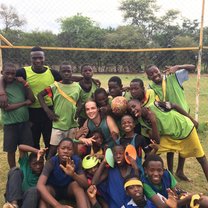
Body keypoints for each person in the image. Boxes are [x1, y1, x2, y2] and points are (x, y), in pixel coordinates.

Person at [128, 99, 208, 182]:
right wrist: (153, 121)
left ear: (141, 103)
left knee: (201, 158)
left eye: (134, 106)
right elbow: (158, 140)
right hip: (169, 136)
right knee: (150, 157)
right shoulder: (142, 123)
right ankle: (152, 181)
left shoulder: (156, 105)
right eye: (130, 110)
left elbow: (174, 106)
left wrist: (192, 119)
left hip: (186, 129)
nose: (133, 110)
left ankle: (177, 173)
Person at [0, 46, 62, 152]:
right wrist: (2, 92)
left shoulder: (52, 73)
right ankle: (36, 166)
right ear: (30, 59)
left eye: (40, 58)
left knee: (49, 140)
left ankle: (48, 164)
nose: (37, 60)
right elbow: (3, 77)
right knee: (33, 141)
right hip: (31, 111)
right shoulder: (23, 72)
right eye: (34, 58)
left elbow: (67, 79)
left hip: (48, 111)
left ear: (44, 58)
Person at [145, 64, 195, 180]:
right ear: (148, 77)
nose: (155, 75)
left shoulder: (174, 77)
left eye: (156, 71)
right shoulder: (151, 88)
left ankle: (180, 170)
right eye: (151, 74)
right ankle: (171, 173)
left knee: (184, 143)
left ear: (160, 70)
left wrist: (177, 67)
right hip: (169, 121)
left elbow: (193, 67)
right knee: (170, 147)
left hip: (183, 117)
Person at [38, 62, 81, 159]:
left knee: (72, 148)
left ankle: (73, 168)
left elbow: (80, 100)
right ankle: (48, 170)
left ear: (72, 72)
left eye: (68, 71)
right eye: (63, 71)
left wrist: (78, 111)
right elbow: (40, 95)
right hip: (58, 124)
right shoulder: (54, 86)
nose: (66, 73)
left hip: (72, 124)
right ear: (60, 73)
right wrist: (48, 111)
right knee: (53, 149)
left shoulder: (77, 86)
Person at [37, 138, 90, 208]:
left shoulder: (76, 161)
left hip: (68, 189)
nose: (65, 151)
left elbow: (85, 185)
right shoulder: (51, 162)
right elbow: (40, 185)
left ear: (73, 151)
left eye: (69, 149)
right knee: (45, 190)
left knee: (77, 185)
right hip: (54, 190)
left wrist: (73, 175)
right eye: (63, 148)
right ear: (58, 150)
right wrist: (58, 205)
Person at [1, 63, 35, 168]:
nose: (10, 76)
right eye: (7, 73)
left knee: (24, 148)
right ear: (2, 73)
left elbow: (32, 100)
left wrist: (25, 83)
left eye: (13, 73)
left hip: (24, 123)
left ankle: (23, 168)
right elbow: (6, 107)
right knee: (11, 150)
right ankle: (13, 171)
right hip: (10, 124)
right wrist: (24, 103)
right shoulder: (2, 87)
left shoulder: (19, 84)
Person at [142, 154, 208, 208]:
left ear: (163, 169)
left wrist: (185, 196)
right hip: (160, 206)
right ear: (145, 170)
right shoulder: (145, 184)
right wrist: (188, 199)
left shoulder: (167, 175)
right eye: (152, 170)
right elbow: (161, 205)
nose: (156, 174)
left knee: (203, 200)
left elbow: (177, 193)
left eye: (159, 170)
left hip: (176, 203)